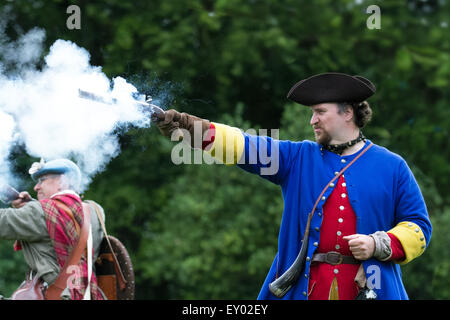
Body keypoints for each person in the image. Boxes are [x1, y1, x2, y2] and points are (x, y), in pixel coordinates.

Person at [155, 72, 432, 300]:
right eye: (312, 113)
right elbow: (243, 145)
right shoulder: (296, 158)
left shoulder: (392, 166)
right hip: (304, 290)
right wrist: (188, 126)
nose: (312, 120)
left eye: (320, 112)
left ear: (348, 113)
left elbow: (419, 228)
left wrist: (377, 243)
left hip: (369, 289)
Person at [0, 158, 105, 299]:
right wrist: (32, 204)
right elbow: (58, 218)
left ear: (63, 181)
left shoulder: (39, 213)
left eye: (42, 180)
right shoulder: (95, 212)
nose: (36, 187)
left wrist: (34, 207)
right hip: (88, 294)